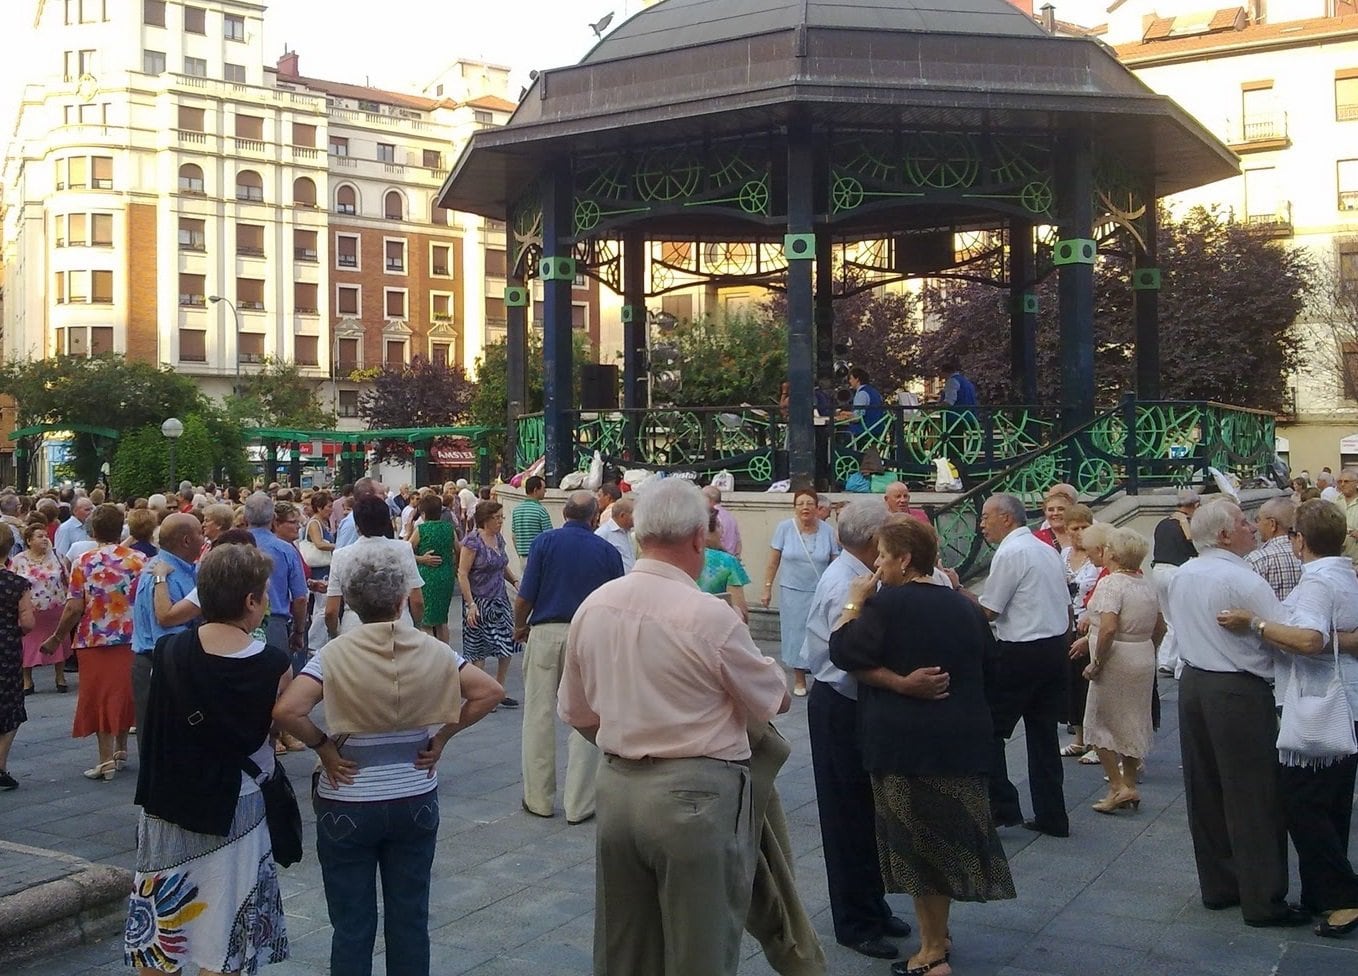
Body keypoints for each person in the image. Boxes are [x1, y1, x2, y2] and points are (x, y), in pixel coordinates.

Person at [558, 479, 790, 976]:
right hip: (694, 796)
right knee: (699, 948)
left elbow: (577, 713)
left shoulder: (594, 606)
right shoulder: (710, 616)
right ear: (697, 540)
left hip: (618, 789)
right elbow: (774, 699)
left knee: (624, 947)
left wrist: (630, 734)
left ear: (640, 535)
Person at [273, 545, 503, 976]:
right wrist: (443, 735)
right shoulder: (434, 650)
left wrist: (323, 744)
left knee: (352, 923)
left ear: (354, 604)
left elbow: (287, 711)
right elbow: (487, 690)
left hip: (348, 793)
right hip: (413, 790)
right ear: (402, 600)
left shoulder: (333, 655)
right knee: (410, 918)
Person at [831, 516, 1015, 976]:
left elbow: (843, 651)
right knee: (946, 840)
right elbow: (992, 667)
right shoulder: (964, 606)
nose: (877, 565)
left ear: (904, 559)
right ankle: (940, 933)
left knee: (919, 846)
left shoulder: (886, 605)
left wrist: (854, 603)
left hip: (906, 746)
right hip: (961, 742)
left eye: (883, 556)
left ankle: (932, 951)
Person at [124, 544, 291, 975]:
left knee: (161, 931)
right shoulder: (273, 663)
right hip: (235, 804)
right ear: (250, 601)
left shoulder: (168, 652)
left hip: (168, 801)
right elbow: (276, 727)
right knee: (226, 931)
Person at [1216, 499, 1358, 938]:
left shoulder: (1317, 581)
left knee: (1302, 804)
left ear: (1299, 540)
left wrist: (1255, 624)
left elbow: (1311, 640)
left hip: (1323, 704)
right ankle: (1323, 891)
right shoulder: (1346, 574)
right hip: (1346, 700)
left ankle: (1343, 898)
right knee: (1330, 804)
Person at [1167, 499, 1308, 928]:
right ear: (1225, 534)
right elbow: (1285, 631)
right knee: (1253, 795)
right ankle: (1264, 899)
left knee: (1205, 789)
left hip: (1195, 683)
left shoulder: (1184, 573)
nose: (1253, 528)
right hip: (1237, 689)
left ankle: (1219, 885)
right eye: (1244, 522)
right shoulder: (1239, 577)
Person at [800, 501, 916, 960]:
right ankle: (854, 921)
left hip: (852, 702)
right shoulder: (844, 585)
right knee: (846, 814)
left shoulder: (860, 577)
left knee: (867, 811)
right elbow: (846, 657)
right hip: (839, 704)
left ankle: (871, 902)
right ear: (873, 541)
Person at [513, 490, 624, 822]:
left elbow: (524, 597)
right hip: (589, 634)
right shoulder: (607, 550)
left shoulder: (544, 544)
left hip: (547, 630)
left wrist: (521, 627)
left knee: (538, 714)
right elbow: (616, 602)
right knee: (587, 717)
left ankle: (538, 798)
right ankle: (580, 803)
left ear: (564, 513)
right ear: (594, 518)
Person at [978, 492, 1071, 837]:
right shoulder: (1046, 549)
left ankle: (1002, 805)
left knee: (989, 729)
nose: (983, 525)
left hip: (1021, 651)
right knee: (1043, 734)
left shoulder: (1011, 552)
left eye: (987, 517)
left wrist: (956, 593)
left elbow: (990, 610)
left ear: (1006, 518)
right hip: (1053, 648)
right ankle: (1052, 814)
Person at [42, 504, 144, 781]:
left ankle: (105, 759)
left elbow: (75, 606)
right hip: (130, 636)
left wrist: (57, 637)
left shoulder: (85, 561)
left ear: (94, 530)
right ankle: (122, 750)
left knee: (99, 696)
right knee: (124, 692)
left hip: (94, 638)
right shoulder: (139, 560)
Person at [1071, 527, 1164, 814]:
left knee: (1101, 721)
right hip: (1142, 653)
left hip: (1117, 657)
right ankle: (1130, 781)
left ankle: (1116, 785)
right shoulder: (1145, 584)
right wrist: (1150, 649)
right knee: (1133, 719)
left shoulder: (1112, 584)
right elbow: (1160, 626)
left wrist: (1097, 661)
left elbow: (1109, 626)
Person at [131, 514, 202, 742]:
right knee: (164, 738)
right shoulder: (166, 573)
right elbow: (165, 621)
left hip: (161, 659)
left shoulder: (170, 567)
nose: (204, 538)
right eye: (199, 533)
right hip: (164, 662)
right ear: (186, 541)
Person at [762, 487, 839, 697]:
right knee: (796, 634)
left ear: (817, 507)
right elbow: (773, 561)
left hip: (820, 591)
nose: (805, 508)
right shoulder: (784, 528)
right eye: (800, 504)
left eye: (809, 504)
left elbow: (835, 562)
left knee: (821, 633)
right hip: (792, 592)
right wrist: (767, 588)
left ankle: (821, 674)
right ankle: (798, 677)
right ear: (794, 507)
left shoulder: (828, 532)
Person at [326, 496, 424, 638]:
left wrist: (334, 634)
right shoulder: (403, 549)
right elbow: (417, 599)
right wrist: (417, 626)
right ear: (385, 522)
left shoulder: (341, 555)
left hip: (354, 627)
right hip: (398, 624)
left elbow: (331, 610)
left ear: (357, 525)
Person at [457, 500, 521, 700]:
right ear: (485, 519)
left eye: (502, 517)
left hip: (499, 598)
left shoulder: (498, 539)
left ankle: (499, 688)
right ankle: (484, 692)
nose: (501, 521)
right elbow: (462, 573)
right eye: (497, 517)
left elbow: (502, 566)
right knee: (479, 649)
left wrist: (515, 581)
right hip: (478, 600)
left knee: (506, 644)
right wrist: (471, 604)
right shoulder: (473, 541)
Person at [243, 493, 308, 664]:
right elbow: (300, 597)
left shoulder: (235, 547)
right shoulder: (286, 550)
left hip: (238, 622)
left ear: (245, 517)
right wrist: (299, 631)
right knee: (278, 680)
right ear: (273, 518)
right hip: (275, 623)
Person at [1059, 507, 1102, 762]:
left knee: (1091, 682)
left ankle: (1099, 740)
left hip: (1090, 621)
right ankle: (1079, 736)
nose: (1078, 533)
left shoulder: (1097, 557)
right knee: (1073, 682)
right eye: (1073, 528)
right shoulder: (1064, 554)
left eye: (1083, 527)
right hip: (1069, 623)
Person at [14, 522, 70, 695]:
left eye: (46, 536)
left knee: (58, 641)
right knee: (27, 644)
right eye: (40, 536)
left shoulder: (57, 556)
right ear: (29, 540)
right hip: (30, 611)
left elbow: (66, 579)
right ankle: (27, 681)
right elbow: (14, 582)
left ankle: (60, 677)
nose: (45, 539)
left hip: (55, 608)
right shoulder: (19, 560)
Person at [0, 526, 36, 791]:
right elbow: (27, 623)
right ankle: (0, 765)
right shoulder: (16, 583)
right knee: (10, 705)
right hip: (6, 649)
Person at [1151, 488, 1199, 675]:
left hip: (1158, 570)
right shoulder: (1186, 523)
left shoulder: (1163, 523)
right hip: (1176, 571)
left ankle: (1166, 660)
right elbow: (1193, 543)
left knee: (1169, 618)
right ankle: (1179, 663)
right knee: (1182, 617)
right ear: (1194, 505)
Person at [408, 493, 455, 642]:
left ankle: (430, 655)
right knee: (442, 620)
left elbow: (405, 552)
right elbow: (459, 549)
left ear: (423, 513)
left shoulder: (422, 529)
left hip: (427, 575)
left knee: (426, 620)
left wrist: (421, 559)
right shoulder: (449, 528)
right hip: (446, 575)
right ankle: (446, 655)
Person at [697, 508, 751, 621]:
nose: (722, 531)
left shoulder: (678, 556)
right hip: (715, 626)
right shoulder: (726, 562)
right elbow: (740, 610)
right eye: (718, 526)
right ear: (706, 531)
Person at [1246, 496, 1303, 601]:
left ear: (1273, 524)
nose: (1256, 526)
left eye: (1258, 520)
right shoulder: (1308, 553)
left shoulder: (1257, 560)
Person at [510, 475, 553, 567]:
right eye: (543, 488)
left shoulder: (516, 510)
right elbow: (549, 537)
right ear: (535, 490)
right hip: (538, 557)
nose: (545, 491)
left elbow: (514, 536)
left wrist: (520, 554)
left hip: (522, 558)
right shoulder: (541, 511)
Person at [837, 366, 886, 439]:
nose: (850, 381)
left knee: (837, 432)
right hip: (877, 428)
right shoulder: (874, 392)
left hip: (865, 430)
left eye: (851, 378)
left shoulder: (861, 394)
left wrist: (844, 415)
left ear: (857, 379)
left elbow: (857, 418)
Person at [593, 495, 635, 572]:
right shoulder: (602, 534)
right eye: (633, 515)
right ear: (623, 515)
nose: (636, 518)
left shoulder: (627, 532)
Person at [702, 484, 743, 557]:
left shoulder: (713, 517)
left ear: (708, 499)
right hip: (731, 560)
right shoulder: (731, 517)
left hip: (716, 559)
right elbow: (738, 542)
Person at [1032, 485, 1076, 550]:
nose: (1055, 513)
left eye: (1061, 509)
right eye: (1051, 510)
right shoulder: (1036, 539)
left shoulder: (1082, 535)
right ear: (1045, 512)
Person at [1334, 468, 1358, 566]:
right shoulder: (1335, 502)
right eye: (1340, 482)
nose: (1342, 484)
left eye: (1346, 481)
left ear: (1356, 483)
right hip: (1340, 559)